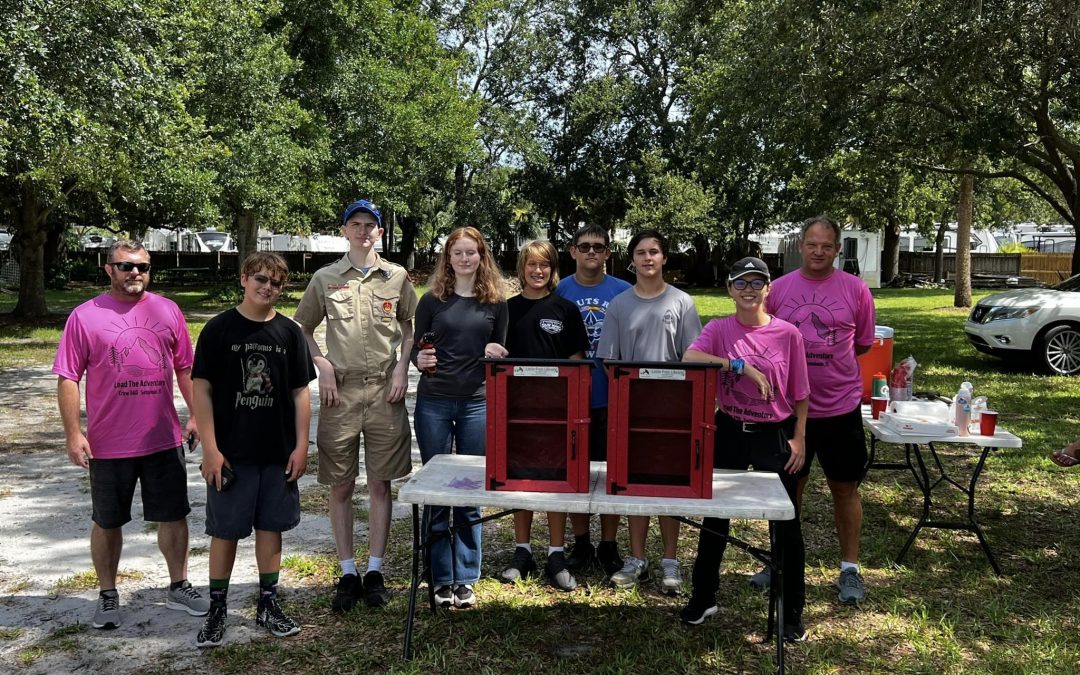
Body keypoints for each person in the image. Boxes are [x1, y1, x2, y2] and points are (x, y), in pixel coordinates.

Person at [53, 239, 209, 630]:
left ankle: (179, 585)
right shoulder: (84, 316)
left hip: (162, 438)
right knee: (108, 521)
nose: (135, 273)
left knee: (174, 516)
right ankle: (108, 596)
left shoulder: (168, 310)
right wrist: (74, 434)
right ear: (109, 270)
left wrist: (196, 417)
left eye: (142, 266)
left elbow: (186, 369)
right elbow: (68, 377)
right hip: (108, 443)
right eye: (126, 266)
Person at [294, 199, 419, 612]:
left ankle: (376, 569)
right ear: (344, 230)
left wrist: (402, 368)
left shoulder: (396, 276)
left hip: (386, 392)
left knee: (382, 482)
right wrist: (321, 364)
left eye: (371, 225)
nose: (364, 230)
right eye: (356, 224)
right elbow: (304, 327)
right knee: (342, 483)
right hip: (340, 393)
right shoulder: (325, 278)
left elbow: (410, 327)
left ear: (380, 232)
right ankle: (348, 571)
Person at [679, 256, 810, 643]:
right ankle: (703, 597)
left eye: (757, 283)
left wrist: (800, 437)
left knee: (786, 525)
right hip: (731, 430)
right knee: (714, 518)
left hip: (776, 434)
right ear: (729, 290)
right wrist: (738, 366)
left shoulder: (788, 335)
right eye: (741, 283)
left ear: (768, 289)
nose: (749, 290)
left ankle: (791, 611)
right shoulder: (720, 329)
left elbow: (802, 394)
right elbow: (690, 358)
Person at [191, 253, 316, 647]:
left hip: (276, 453)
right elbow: (202, 390)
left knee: (271, 528)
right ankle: (217, 607)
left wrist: (301, 445)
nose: (267, 287)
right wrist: (210, 449)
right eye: (261, 279)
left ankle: (268, 602)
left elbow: (300, 392)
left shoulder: (289, 333)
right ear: (244, 279)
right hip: (231, 454)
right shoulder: (218, 329)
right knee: (225, 531)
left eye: (277, 283)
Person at [760, 215, 876, 605]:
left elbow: (860, 344)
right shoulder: (778, 290)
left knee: (845, 488)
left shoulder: (857, 291)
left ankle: (850, 569)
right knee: (788, 489)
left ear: (838, 249)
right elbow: (766, 338)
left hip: (840, 407)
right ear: (801, 245)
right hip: (788, 409)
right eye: (812, 244)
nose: (819, 252)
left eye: (827, 246)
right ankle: (779, 561)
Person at [596, 229, 702, 594]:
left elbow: (693, 357)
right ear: (632, 259)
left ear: (664, 258)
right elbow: (609, 361)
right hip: (629, 410)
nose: (647, 258)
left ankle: (671, 561)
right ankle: (637, 558)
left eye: (654, 251)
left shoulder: (682, 302)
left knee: (670, 486)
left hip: (673, 411)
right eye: (641, 252)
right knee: (635, 485)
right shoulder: (619, 305)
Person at [411, 226, 508, 609]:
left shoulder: (497, 302)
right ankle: (439, 576)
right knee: (436, 490)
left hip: (477, 403)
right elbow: (421, 348)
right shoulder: (431, 300)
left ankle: (466, 577)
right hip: (434, 402)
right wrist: (421, 359)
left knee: (469, 491)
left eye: (472, 252)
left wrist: (498, 351)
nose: (465, 259)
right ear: (447, 259)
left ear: (482, 257)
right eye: (458, 253)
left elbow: (505, 349)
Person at [498, 240, 589, 591]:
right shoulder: (506, 310)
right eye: (531, 265)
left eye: (545, 265)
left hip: (557, 413)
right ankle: (522, 552)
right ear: (522, 268)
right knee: (520, 480)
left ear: (553, 270)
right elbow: (497, 358)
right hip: (516, 412)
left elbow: (577, 361)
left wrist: (565, 403)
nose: (538, 271)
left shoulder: (566, 310)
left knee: (555, 480)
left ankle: (555, 552)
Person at [555, 225, 631, 576]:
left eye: (598, 248)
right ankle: (582, 540)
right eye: (584, 246)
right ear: (572, 252)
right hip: (573, 398)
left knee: (612, 473)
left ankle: (609, 544)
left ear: (607, 253)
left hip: (614, 396)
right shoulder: (560, 291)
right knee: (576, 473)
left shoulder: (623, 292)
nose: (591, 253)